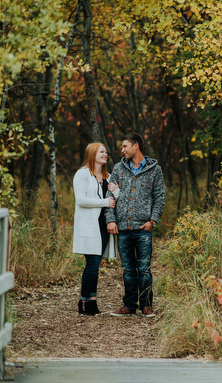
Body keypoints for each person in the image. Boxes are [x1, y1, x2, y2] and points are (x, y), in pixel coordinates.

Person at [106, 133, 166, 318]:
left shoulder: (154, 170)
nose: (122, 150)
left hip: (143, 229)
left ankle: (146, 305)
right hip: (123, 228)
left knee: (144, 268)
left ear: (136, 146)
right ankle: (129, 305)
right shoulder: (118, 168)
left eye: (125, 146)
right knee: (128, 270)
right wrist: (111, 220)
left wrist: (153, 220)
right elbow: (110, 197)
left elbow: (159, 197)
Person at [73, 143, 119, 315]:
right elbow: (81, 200)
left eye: (106, 152)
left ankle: (92, 301)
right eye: (101, 151)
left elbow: (115, 199)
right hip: (88, 225)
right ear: (92, 154)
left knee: (96, 264)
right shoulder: (82, 174)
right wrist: (104, 202)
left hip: (103, 225)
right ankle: (83, 302)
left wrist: (117, 191)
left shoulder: (108, 176)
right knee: (92, 264)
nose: (105, 154)